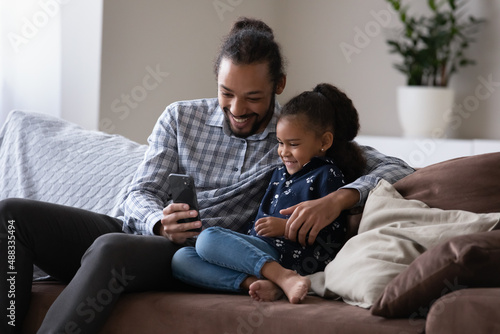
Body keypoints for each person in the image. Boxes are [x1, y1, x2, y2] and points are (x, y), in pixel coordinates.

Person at [0, 17, 414, 334]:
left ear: (279, 86)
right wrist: (157, 222)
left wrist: (337, 200)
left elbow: (398, 168)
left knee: (110, 248)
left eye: (253, 98)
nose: (237, 109)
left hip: (195, 253)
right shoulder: (181, 118)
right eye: (227, 93)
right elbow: (141, 190)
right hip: (146, 231)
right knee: (13, 214)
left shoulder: (295, 136)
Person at [172, 83, 367, 304]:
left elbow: (333, 238)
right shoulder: (279, 173)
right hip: (262, 250)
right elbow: (260, 221)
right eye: (280, 143)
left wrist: (286, 228)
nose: (284, 152)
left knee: (208, 238)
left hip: (295, 256)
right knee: (182, 258)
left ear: (324, 142)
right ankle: (266, 283)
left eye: (293, 144)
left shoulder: (328, 174)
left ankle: (284, 277)